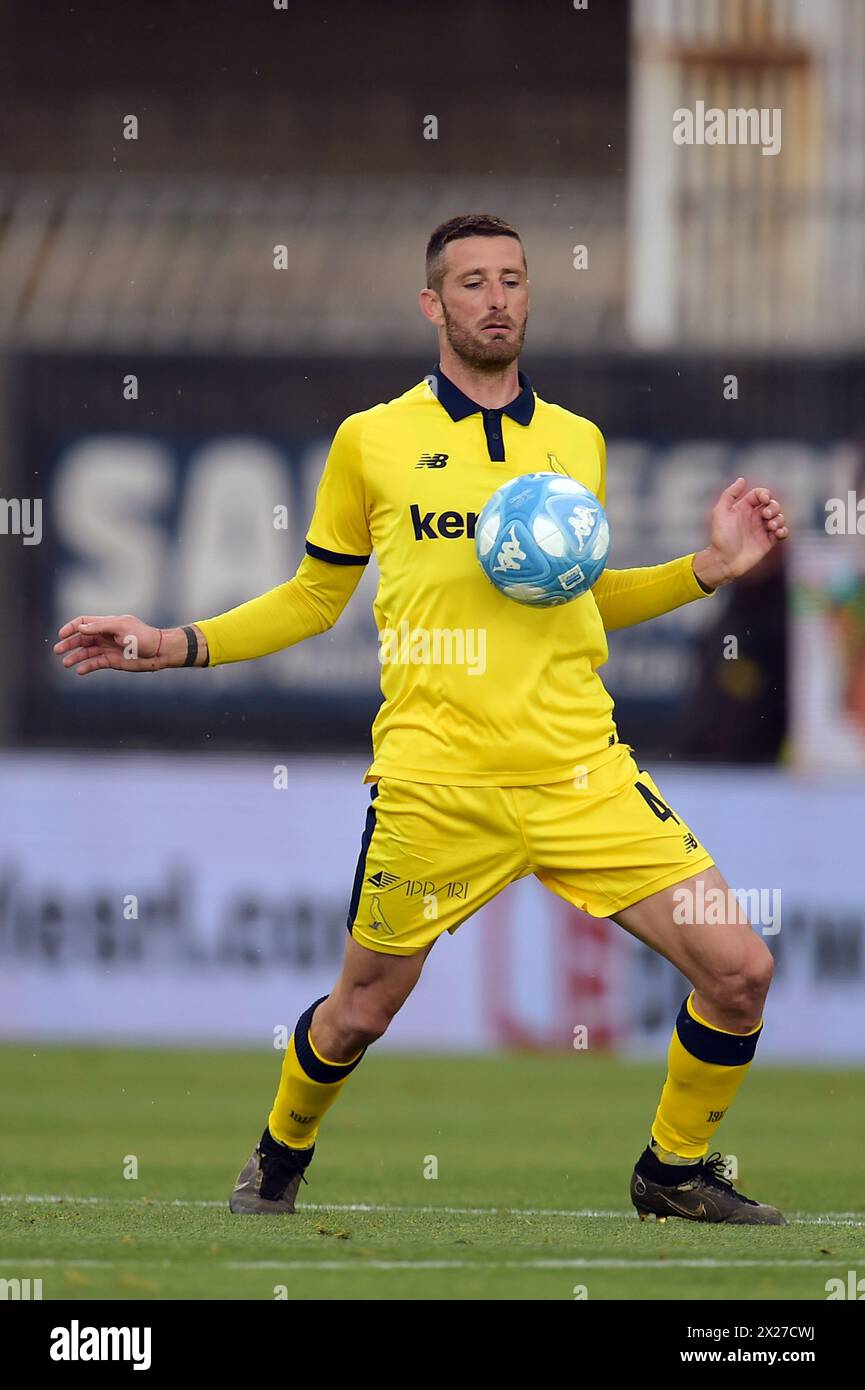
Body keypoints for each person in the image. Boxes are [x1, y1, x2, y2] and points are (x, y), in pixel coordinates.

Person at [54, 214, 790, 1224]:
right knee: (359, 1013)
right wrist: (171, 643)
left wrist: (706, 570)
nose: (496, 298)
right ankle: (278, 1157)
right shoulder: (375, 440)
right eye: (473, 282)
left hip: (583, 772)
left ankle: (671, 1171)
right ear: (432, 304)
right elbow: (314, 598)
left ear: (531, 295)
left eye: (513, 280)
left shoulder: (575, 441)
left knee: (740, 969)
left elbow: (575, 593)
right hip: (437, 782)